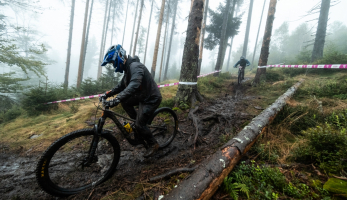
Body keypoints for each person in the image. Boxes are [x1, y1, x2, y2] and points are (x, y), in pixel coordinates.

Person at [99, 44, 162, 158]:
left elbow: (134, 84)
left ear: (119, 57)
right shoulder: (128, 69)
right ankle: (138, 123)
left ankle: (153, 144)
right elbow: (121, 86)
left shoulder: (135, 66)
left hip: (151, 98)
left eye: (113, 63)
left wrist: (117, 98)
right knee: (125, 102)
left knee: (139, 124)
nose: (114, 66)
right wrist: (107, 94)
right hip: (143, 96)